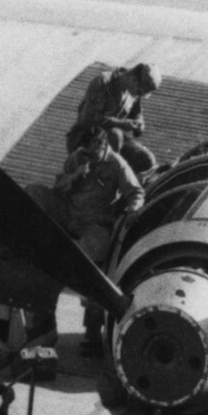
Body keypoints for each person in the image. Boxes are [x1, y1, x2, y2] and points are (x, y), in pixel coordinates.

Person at [54, 127, 146, 356]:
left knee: (92, 274)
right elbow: (58, 186)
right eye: (87, 150)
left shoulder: (116, 164)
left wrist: (132, 211)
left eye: (95, 149)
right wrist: (76, 175)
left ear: (103, 145)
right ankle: (41, 326)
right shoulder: (77, 158)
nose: (91, 154)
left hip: (95, 226)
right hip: (69, 219)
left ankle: (92, 334)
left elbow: (136, 193)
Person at [66, 62, 160, 175]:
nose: (138, 96)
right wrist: (121, 124)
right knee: (115, 137)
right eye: (139, 92)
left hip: (115, 140)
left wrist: (139, 124)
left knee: (146, 160)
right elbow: (90, 118)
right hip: (86, 138)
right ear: (133, 79)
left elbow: (137, 113)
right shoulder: (103, 82)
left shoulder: (133, 92)